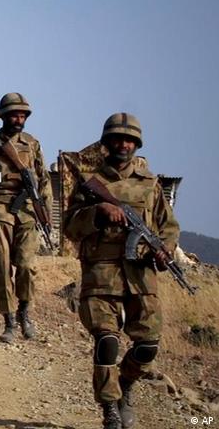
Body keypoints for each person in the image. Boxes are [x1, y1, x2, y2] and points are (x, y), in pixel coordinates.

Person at [64, 113, 179, 429]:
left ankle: (126, 383)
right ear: (107, 142)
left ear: (137, 144)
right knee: (107, 343)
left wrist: (165, 250)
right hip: (101, 276)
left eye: (129, 140)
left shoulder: (150, 185)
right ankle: (110, 408)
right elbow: (70, 227)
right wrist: (98, 212)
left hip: (141, 278)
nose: (123, 145)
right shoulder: (90, 183)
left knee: (148, 346)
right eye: (117, 138)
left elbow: (168, 226)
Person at [0, 92, 51, 343]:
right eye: (14, 115)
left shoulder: (32, 144)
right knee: (0, 264)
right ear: (3, 116)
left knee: (27, 265)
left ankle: (24, 311)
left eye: (22, 115)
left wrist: (45, 213)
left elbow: (43, 180)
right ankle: (9, 320)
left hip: (27, 208)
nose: (18, 119)